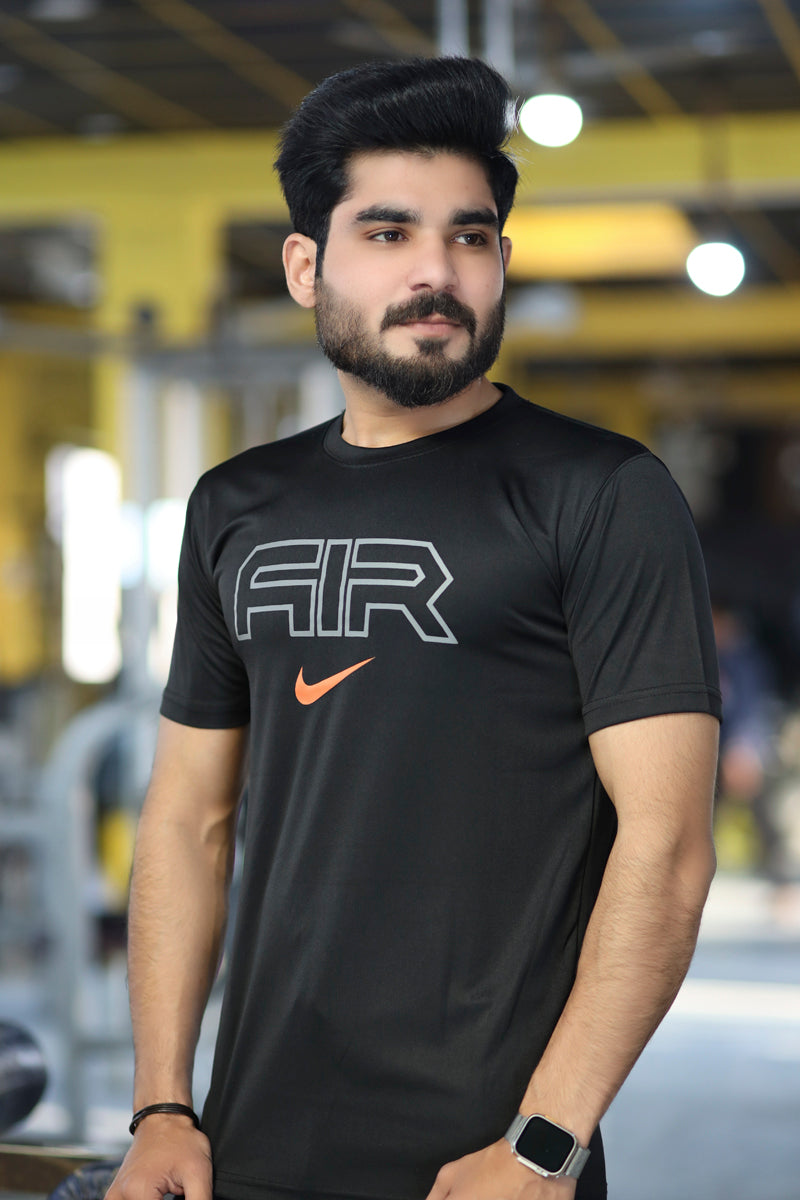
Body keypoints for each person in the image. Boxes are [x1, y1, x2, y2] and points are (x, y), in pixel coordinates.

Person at [107, 57, 721, 1200]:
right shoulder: (235, 507)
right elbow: (187, 821)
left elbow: (669, 847)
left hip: (487, 1165)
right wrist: (160, 1108)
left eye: (469, 237)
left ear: (500, 262)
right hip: (248, 1149)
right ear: (306, 266)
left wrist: (543, 1145)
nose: (436, 272)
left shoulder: (598, 494)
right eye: (387, 233)